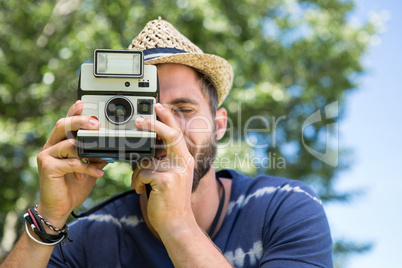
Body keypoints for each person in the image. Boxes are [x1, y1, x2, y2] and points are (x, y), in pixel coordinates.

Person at [2, 18, 333, 267]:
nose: (166, 126)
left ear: (218, 125)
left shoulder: (284, 208)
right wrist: (49, 217)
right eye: (142, 110)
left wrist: (178, 224)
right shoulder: (91, 235)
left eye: (183, 109)